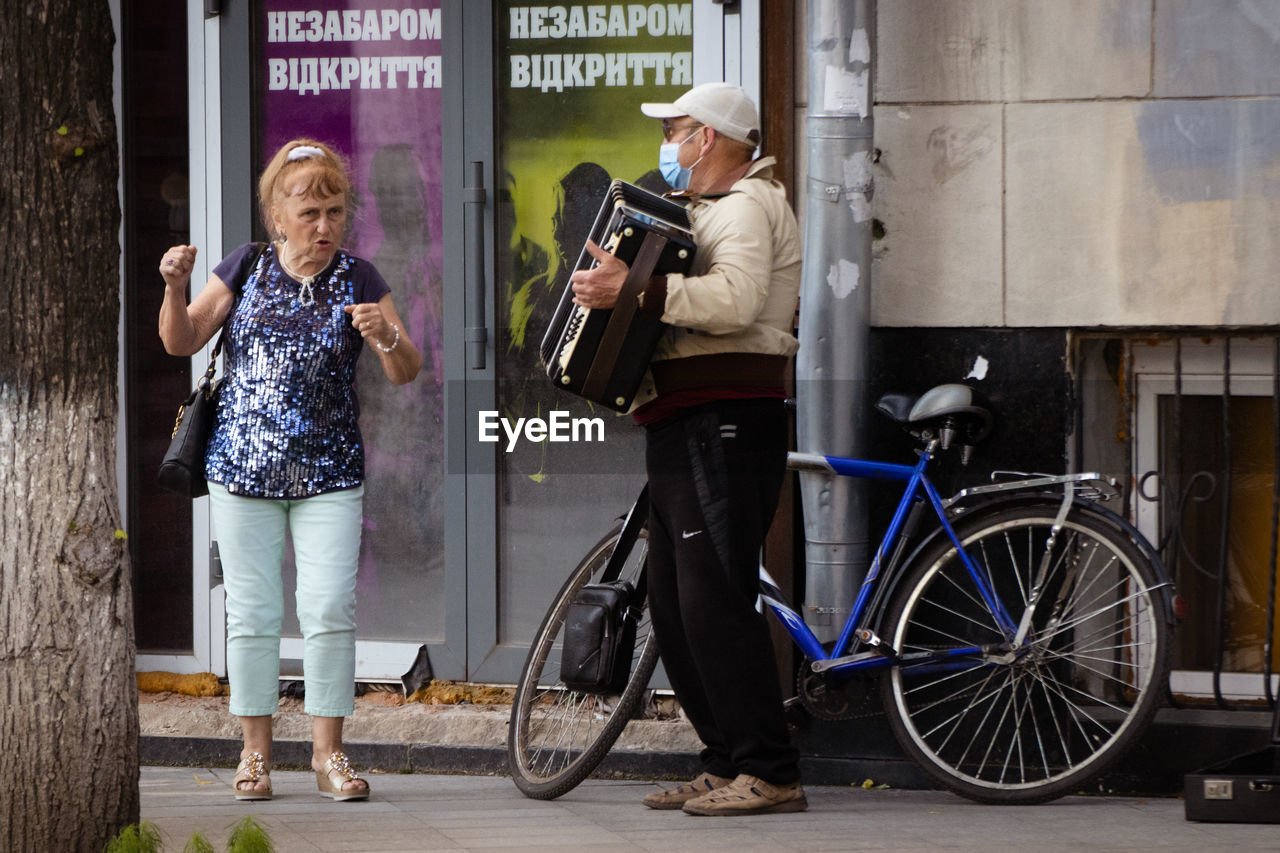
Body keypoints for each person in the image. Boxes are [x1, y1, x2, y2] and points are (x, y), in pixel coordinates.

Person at [158, 139, 422, 802]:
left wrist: (386, 337)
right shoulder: (245, 268)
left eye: (334, 210)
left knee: (329, 606)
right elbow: (181, 339)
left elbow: (406, 368)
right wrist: (173, 286)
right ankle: (254, 754)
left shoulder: (360, 278)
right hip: (242, 470)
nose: (325, 224)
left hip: (328, 474)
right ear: (277, 212)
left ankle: (329, 753)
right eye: (309, 211)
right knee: (252, 613)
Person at [570, 82, 805, 816]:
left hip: (724, 418)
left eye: (676, 131)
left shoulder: (746, 207)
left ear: (709, 138)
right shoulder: (702, 213)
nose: (667, 146)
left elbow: (734, 302)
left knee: (714, 600)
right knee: (673, 606)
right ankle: (726, 758)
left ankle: (769, 768)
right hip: (682, 420)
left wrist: (637, 293)